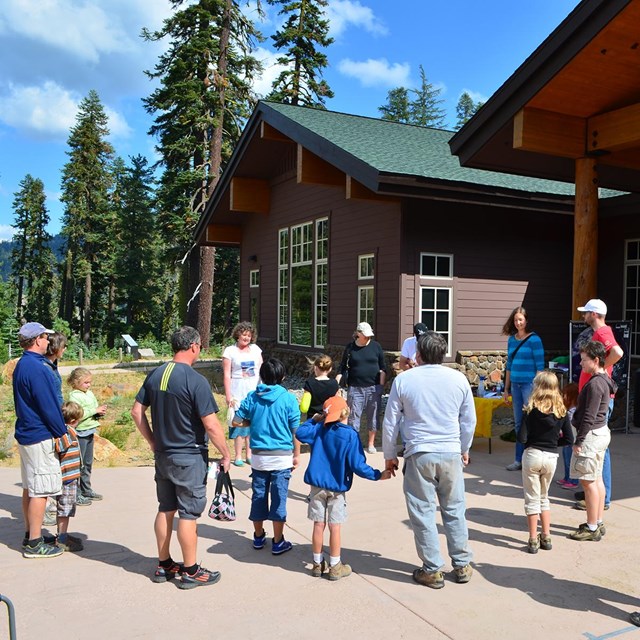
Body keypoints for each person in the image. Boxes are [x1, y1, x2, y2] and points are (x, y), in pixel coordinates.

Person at [131, 326, 231, 589]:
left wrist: (153, 442)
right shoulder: (195, 380)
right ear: (194, 346)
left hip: (163, 455)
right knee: (188, 514)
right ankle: (191, 570)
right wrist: (226, 453)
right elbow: (210, 425)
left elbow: (136, 412)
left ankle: (164, 565)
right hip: (188, 455)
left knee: (166, 508)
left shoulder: (156, 374)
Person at [382, 331, 476, 589]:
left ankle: (433, 568)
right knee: (454, 509)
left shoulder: (405, 380)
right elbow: (469, 420)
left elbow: (390, 421)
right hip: (450, 451)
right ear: (443, 354)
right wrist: (464, 447)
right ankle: (462, 564)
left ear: (418, 354)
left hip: (419, 452)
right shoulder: (458, 379)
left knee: (422, 511)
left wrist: (389, 455)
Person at [296, 394, 391, 580]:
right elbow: (358, 465)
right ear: (345, 412)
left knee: (318, 524)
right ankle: (335, 566)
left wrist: (317, 419)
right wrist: (378, 475)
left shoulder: (317, 429)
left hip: (316, 486)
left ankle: (316, 564)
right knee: (335, 527)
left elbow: (300, 432)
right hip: (337, 488)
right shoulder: (350, 435)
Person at [232, 358, 301, 555]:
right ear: (283, 377)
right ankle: (278, 541)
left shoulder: (252, 397)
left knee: (259, 496)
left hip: (259, 457)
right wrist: (297, 455)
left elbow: (237, 421)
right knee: (279, 498)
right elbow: (295, 430)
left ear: (261, 376)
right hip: (282, 457)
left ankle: (259, 536)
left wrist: (251, 424)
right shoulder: (288, 399)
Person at [13, 321, 67, 559]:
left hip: (28, 433)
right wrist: (61, 433)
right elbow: (49, 406)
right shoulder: (37, 368)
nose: (48, 341)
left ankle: (30, 533)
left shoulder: (24, 364)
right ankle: (34, 543)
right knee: (41, 491)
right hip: (40, 434)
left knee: (30, 488)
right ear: (37, 340)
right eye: (46, 337)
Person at [574, 299, 622, 512]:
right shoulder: (602, 332)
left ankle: (602, 497)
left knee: (597, 447)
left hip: (597, 396)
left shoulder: (602, 332)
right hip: (593, 393)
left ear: (594, 314)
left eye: (586, 312)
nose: (583, 316)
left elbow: (618, 353)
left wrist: (601, 369)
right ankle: (596, 493)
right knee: (598, 448)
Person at [518, 371, 573, 554]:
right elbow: (569, 439)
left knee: (532, 499)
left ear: (537, 386)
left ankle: (533, 539)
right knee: (544, 497)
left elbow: (522, 436)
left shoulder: (530, 409)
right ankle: (547, 536)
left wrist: (532, 444)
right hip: (551, 457)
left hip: (533, 454)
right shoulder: (561, 411)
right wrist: (553, 444)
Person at [568, 341, 614, 542]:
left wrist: (578, 441)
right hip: (600, 433)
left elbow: (589, 415)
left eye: (585, 360)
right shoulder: (604, 379)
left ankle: (592, 526)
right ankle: (598, 521)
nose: (581, 364)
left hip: (591, 436)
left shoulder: (595, 384)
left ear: (596, 360)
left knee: (588, 482)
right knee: (597, 479)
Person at [501, 306, 545, 471]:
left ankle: (532, 460)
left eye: (520, 319)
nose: (518, 322)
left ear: (526, 320)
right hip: (516, 386)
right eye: (515, 320)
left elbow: (540, 366)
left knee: (532, 421)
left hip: (530, 385)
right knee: (519, 423)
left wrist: (539, 389)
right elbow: (509, 365)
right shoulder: (511, 340)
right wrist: (506, 389)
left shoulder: (535, 340)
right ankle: (518, 460)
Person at [337, 322, 387, 454]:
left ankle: (371, 443)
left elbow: (383, 368)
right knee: (353, 417)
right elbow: (342, 367)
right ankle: (355, 444)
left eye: (369, 335)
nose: (368, 338)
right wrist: (336, 383)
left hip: (373, 387)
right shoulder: (350, 348)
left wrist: (380, 386)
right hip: (355, 387)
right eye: (365, 335)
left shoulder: (376, 346)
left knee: (374, 416)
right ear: (358, 334)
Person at [222, 321, 262, 467]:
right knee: (239, 425)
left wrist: (262, 388)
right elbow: (227, 374)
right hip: (237, 393)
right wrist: (228, 395)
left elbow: (261, 370)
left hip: (253, 391)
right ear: (238, 335)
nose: (246, 338)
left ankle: (249, 454)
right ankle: (238, 455)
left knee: (252, 425)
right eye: (244, 334)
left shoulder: (256, 350)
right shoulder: (230, 351)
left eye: (249, 335)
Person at [68, 367, 107, 504]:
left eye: (90, 382)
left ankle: (86, 489)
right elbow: (77, 414)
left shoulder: (88, 393)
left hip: (90, 431)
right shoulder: (74, 396)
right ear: (76, 382)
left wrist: (98, 412)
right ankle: (76, 493)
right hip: (80, 433)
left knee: (88, 463)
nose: (89, 385)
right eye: (86, 382)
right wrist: (94, 410)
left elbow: (91, 408)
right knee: (79, 464)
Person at [43, 331, 68, 526]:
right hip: (52, 423)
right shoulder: (45, 368)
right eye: (63, 346)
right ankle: (47, 508)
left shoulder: (52, 365)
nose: (65, 349)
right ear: (56, 348)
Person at [54, 401, 85, 553]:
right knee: (65, 508)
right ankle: (62, 536)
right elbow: (59, 446)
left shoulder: (67, 431)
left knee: (67, 507)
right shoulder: (67, 432)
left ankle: (63, 533)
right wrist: (69, 433)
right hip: (67, 478)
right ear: (74, 421)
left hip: (71, 476)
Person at [299, 354, 339, 420]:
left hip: (313, 419)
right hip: (328, 419)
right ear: (330, 369)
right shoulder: (334, 383)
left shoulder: (310, 383)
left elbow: (304, 407)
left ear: (315, 367)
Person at [556, 383, 579, 489]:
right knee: (566, 459)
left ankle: (573, 481)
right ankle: (567, 477)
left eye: (565, 394)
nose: (563, 397)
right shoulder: (569, 410)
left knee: (571, 461)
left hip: (572, 440)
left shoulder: (574, 411)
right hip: (567, 439)